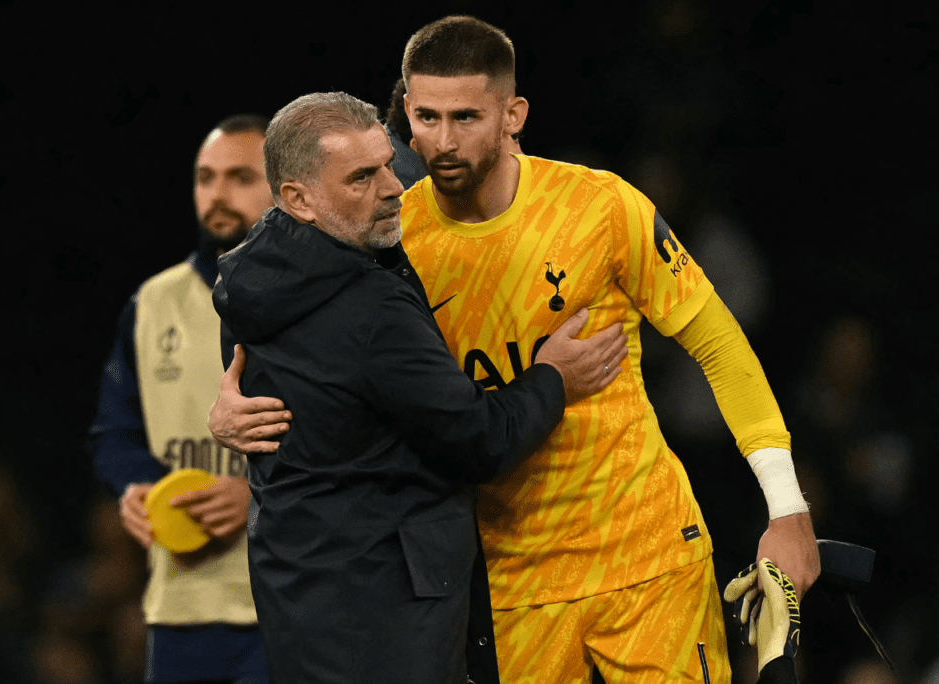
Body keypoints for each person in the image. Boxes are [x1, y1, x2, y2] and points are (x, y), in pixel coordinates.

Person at [211, 16, 821, 684]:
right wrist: (229, 402)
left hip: (646, 560)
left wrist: (786, 507)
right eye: (426, 118)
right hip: (508, 585)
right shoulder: (391, 238)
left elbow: (718, 344)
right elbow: (270, 278)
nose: (442, 142)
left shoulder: (600, 206)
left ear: (513, 114)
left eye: (467, 116)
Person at [211, 91, 628, 684]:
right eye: (363, 177)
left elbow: (264, 383)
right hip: (389, 616)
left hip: (299, 597)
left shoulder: (248, 274)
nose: (392, 187)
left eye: (387, 161)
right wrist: (556, 377)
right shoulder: (370, 310)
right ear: (298, 198)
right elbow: (480, 439)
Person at [87, 114, 276, 684]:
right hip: (180, 611)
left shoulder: (319, 301)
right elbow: (113, 432)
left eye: (241, 177)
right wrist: (135, 488)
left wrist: (260, 496)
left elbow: (359, 445)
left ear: (287, 187)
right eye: (205, 177)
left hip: (287, 608)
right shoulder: (152, 304)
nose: (217, 195)